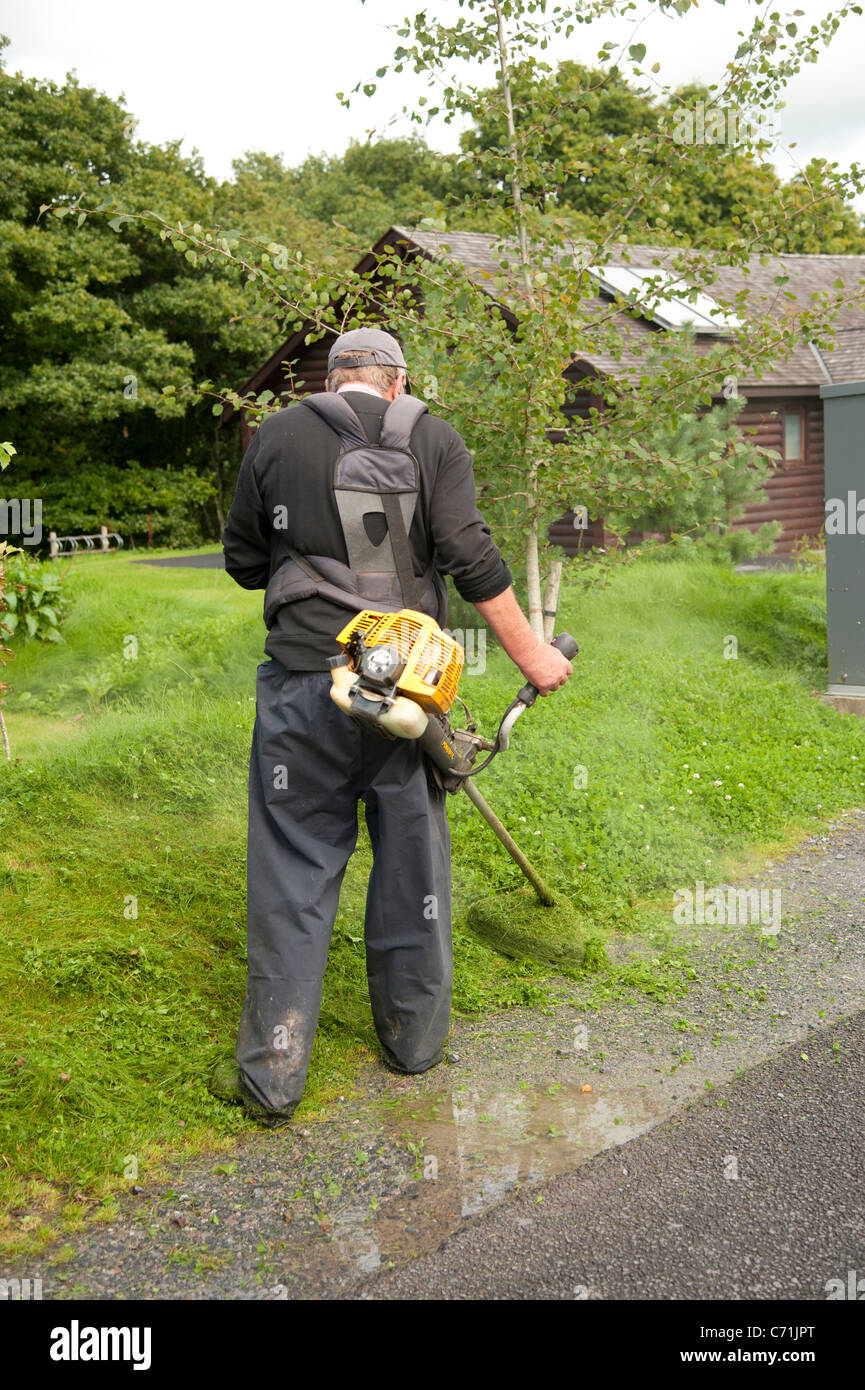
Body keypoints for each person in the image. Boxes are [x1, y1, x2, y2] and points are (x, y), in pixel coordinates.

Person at [212, 327, 571, 1127]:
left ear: (332, 378)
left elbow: (241, 562)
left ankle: (273, 1073)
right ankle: (413, 1044)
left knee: (292, 870)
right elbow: (470, 556)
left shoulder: (275, 433)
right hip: (408, 691)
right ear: (397, 382)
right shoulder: (433, 437)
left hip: (307, 683)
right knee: (412, 868)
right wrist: (534, 656)